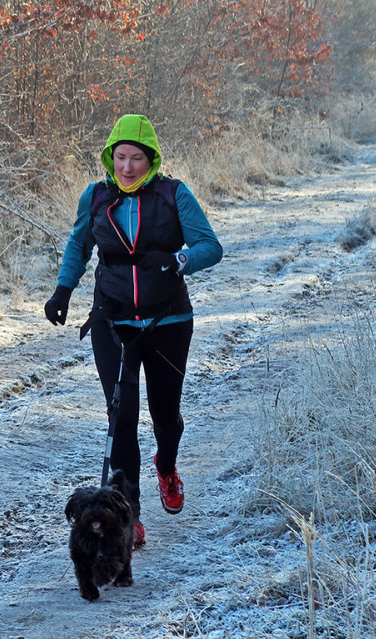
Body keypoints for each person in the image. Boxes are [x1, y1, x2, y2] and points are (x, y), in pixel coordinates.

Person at [44, 114, 222, 547]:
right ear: (110, 157)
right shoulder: (96, 196)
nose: (127, 167)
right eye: (120, 157)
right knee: (121, 417)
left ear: (151, 159)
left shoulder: (174, 194)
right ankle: (130, 515)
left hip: (168, 321)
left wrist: (178, 261)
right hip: (113, 320)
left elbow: (210, 247)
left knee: (165, 418)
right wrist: (63, 290)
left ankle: (167, 465)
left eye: (136, 158)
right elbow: (78, 245)